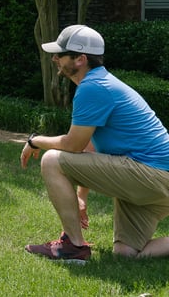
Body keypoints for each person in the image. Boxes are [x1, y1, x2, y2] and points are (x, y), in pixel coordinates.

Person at [21, 24, 169, 262]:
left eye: (61, 54)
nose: (55, 59)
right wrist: (81, 196)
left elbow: (73, 145)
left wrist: (35, 141)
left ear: (80, 59)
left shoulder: (93, 87)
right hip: (156, 179)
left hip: (152, 175)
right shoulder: (99, 83)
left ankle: (73, 247)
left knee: (52, 160)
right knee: (127, 254)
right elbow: (88, 143)